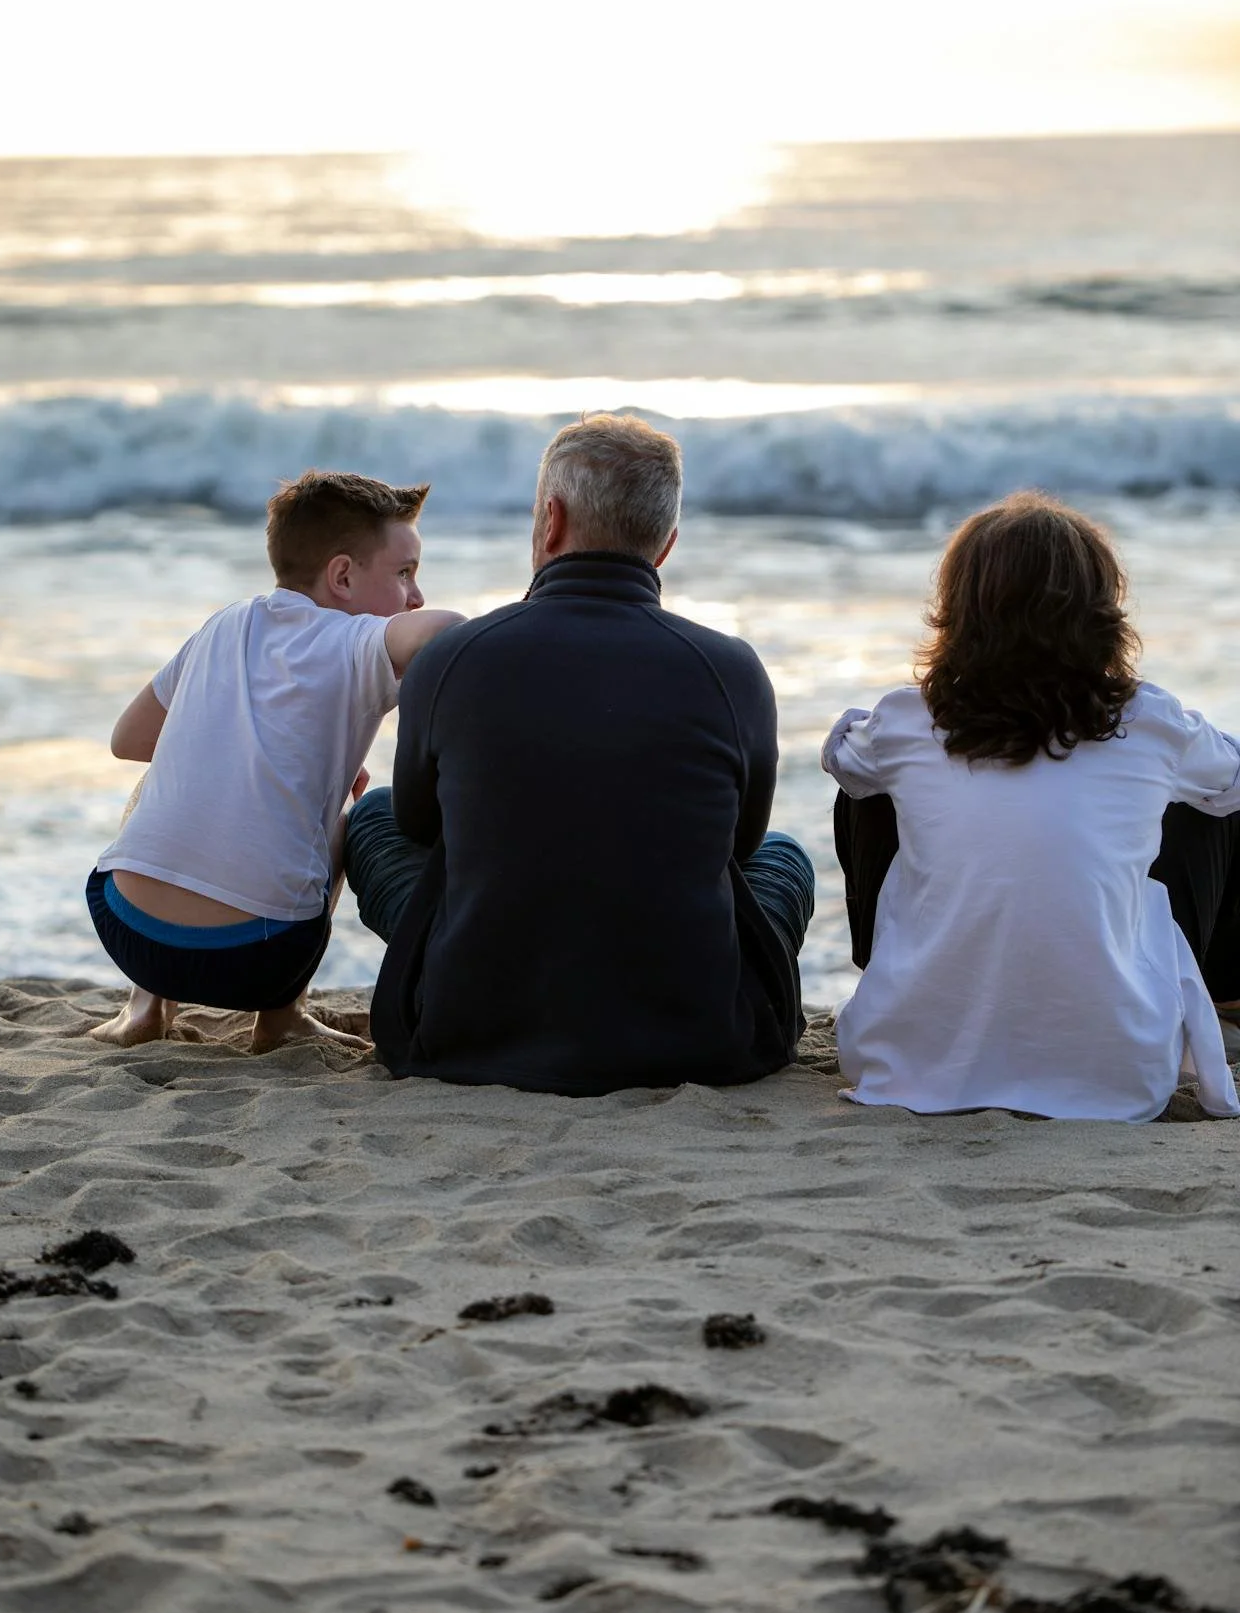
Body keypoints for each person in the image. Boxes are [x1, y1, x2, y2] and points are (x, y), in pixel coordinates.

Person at [344, 413, 815, 1096]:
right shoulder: (731, 668)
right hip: (700, 1037)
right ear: (665, 545)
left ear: (550, 519)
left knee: (378, 814)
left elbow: (419, 828)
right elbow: (738, 849)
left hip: (466, 1027)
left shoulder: (453, 657)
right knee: (783, 857)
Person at [822, 490, 1240, 1122]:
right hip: (1119, 1071)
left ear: (960, 610)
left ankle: (910, 977)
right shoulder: (1153, 722)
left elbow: (843, 758)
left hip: (913, 1061)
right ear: (1102, 613)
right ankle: (1228, 994)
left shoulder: (906, 722)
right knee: (1215, 800)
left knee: (865, 788)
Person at [86, 471, 463, 1052]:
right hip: (258, 959)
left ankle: (144, 1008)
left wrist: (235, 747)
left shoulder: (225, 624)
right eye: (405, 572)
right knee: (341, 810)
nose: (415, 595)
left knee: (155, 779)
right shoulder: (356, 642)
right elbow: (442, 629)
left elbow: (128, 739)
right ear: (342, 575)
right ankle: (281, 1017)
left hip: (125, 929)